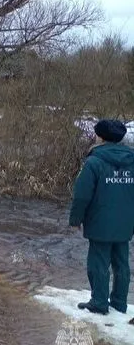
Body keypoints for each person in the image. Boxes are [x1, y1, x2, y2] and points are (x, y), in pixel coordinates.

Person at [69, 119, 134, 315]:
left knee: (98, 263)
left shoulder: (94, 161)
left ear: (101, 137)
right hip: (126, 222)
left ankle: (99, 302)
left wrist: (75, 219)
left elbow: (81, 195)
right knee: (122, 263)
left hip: (100, 221)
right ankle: (119, 303)